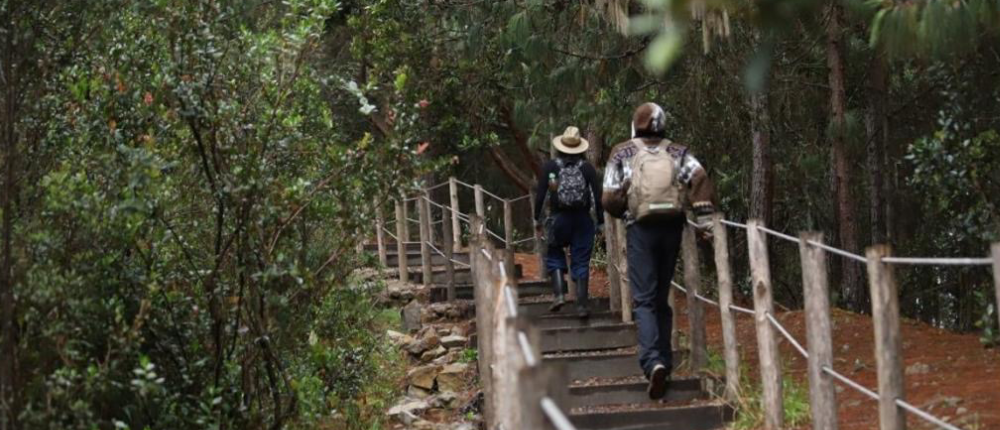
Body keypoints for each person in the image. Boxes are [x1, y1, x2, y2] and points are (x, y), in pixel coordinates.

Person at [601, 103, 716, 400]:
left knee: (643, 299)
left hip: (641, 229)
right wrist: (704, 219)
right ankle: (665, 359)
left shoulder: (622, 152)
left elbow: (609, 199)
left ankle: (654, 362)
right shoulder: (677, 152)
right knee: (662, 296)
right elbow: (700, 178)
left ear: (634, 125)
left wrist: (624, 207)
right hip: (672, 228)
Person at [533, 126, 604, 317]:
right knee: (581, 260)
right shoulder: (587, 168)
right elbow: (597, 196)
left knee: (554, 253)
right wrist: (601, 222)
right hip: (582, 220)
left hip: (558, 219)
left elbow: (540, 195)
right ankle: (581, 305)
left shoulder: (550, 167)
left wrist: (536, 218)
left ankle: (559, 295)